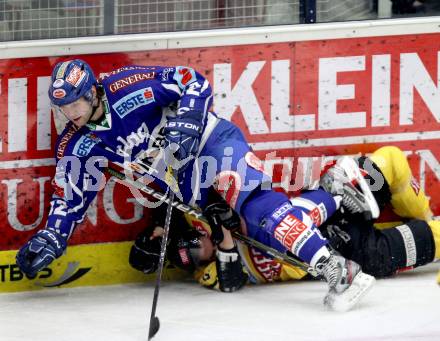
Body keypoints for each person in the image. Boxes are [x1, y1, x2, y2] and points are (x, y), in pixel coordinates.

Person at [15, 59, 376, 311]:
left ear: (92, 91)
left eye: (75, 101)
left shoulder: (126, 86)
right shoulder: (75, 145)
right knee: (259, 235)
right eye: (62, 106)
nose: (70, 111)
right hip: (185, 183)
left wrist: (187, 123)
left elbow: (190, 81)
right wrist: (52, 236)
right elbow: (69, 198)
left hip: (211, 143)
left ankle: (337, 268)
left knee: (253, 204)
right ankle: (332, 192)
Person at [130, 146, 440, 289]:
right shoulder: (208, 275)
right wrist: (223, 234)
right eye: (195, 259)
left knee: (392, 160)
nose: (201, 253)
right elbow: (231, 282)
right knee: (432, 240)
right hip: (350, 250)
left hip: (328, 207)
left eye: (195, 246)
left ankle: (423, 214)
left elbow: (164, 189)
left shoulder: (196, 210)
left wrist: (160, 225)